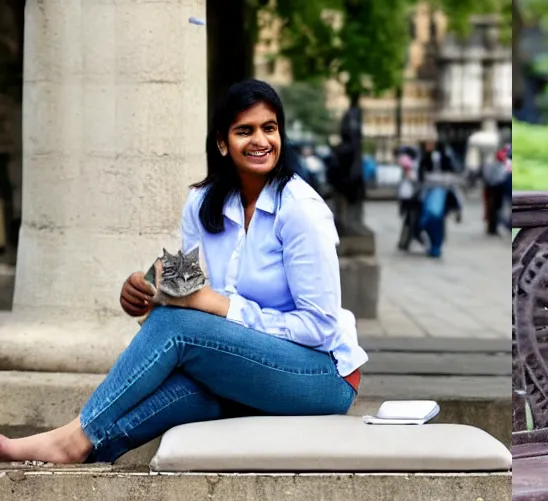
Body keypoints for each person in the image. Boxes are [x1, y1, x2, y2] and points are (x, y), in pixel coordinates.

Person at [0, 80, 364, 465]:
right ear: (223, 142)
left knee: (178, 327)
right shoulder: (202, 202)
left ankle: (71, 438)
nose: (260, 140)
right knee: (183, 391)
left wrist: (220, 307)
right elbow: (183, 281)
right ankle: (88, 450)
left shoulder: (301, 211)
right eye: (245, 130)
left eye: (269, 128)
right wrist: (144, 290)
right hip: (256, 364)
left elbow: (320, 328)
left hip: (323, 376)